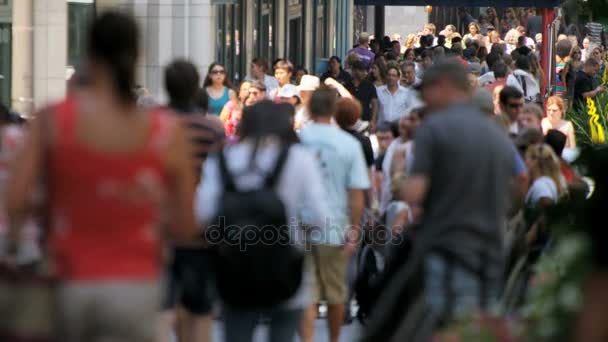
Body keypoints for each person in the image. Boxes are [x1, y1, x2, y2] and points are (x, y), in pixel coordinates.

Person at [6, 12, 197, 342]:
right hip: (137, 285)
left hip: (67, 279)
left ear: (89, 56)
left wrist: (20, 241)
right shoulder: (166, 132)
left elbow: (16, 199)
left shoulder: (53, 122)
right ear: (136, 56)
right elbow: (185, 224)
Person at [195, 100, 329, 342]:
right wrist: (302, 233)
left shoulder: (221, 159)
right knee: (282, 332)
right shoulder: (300, 159)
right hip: (286, 267)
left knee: (237, 331)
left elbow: (202, 214)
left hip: (233, 267)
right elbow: (320, 218)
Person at [402, 61, 516, 330]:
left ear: (442, 87)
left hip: (448, 247)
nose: (422, 100)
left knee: (448, 326)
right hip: (492, 248)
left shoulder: (435, 127)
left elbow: (415, 191)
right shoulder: (497, 134)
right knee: (479, 327)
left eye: (426, 91)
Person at [298, 86, 370, 342]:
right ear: (334, 110)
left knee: (306, 291)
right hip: (335, 226)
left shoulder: (297, 141)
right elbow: (357, 193)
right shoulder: (348, 144)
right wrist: (354, 229)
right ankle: (333, 339)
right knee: (336, 291)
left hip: (301, 226)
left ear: (308, 108)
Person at [162, 59, 226, 342]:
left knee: (164, 304)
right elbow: (223, 180)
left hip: (162, 224)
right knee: (200, 307)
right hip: (202, 226)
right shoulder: (211, 130)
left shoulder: (153, 125)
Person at [346, 61, 379, 129]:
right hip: (349, 121)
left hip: (364, 122)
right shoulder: (347, 85)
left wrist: (372, 121)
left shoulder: (370, 86)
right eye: (361, 70)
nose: (364, 73)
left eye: (365, 71)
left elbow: (375, 104)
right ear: (354, 71)